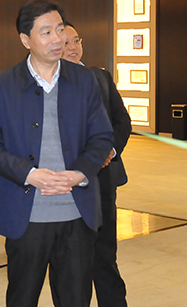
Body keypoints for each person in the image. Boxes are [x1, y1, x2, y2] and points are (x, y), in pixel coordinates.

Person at [0, 0, 113, 307]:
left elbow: (102, 135)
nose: (57, 39)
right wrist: (29, 174)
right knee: (22, 298)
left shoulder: (85, 80)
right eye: (46, 32)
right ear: (26, 40)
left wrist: (80, 172)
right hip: (27, 217)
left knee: (75, 299)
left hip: (77, 214)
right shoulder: (2, 84)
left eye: (60, 30)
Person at [62, 22, 131, 307]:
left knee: (105, 254)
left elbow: (121, 121)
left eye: (76, 40)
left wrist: (110, 151)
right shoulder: (49, 83)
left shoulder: (100, 76)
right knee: (71, 260)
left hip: (102, 179)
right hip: (66, 184)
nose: (73, 47)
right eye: (66, 42)